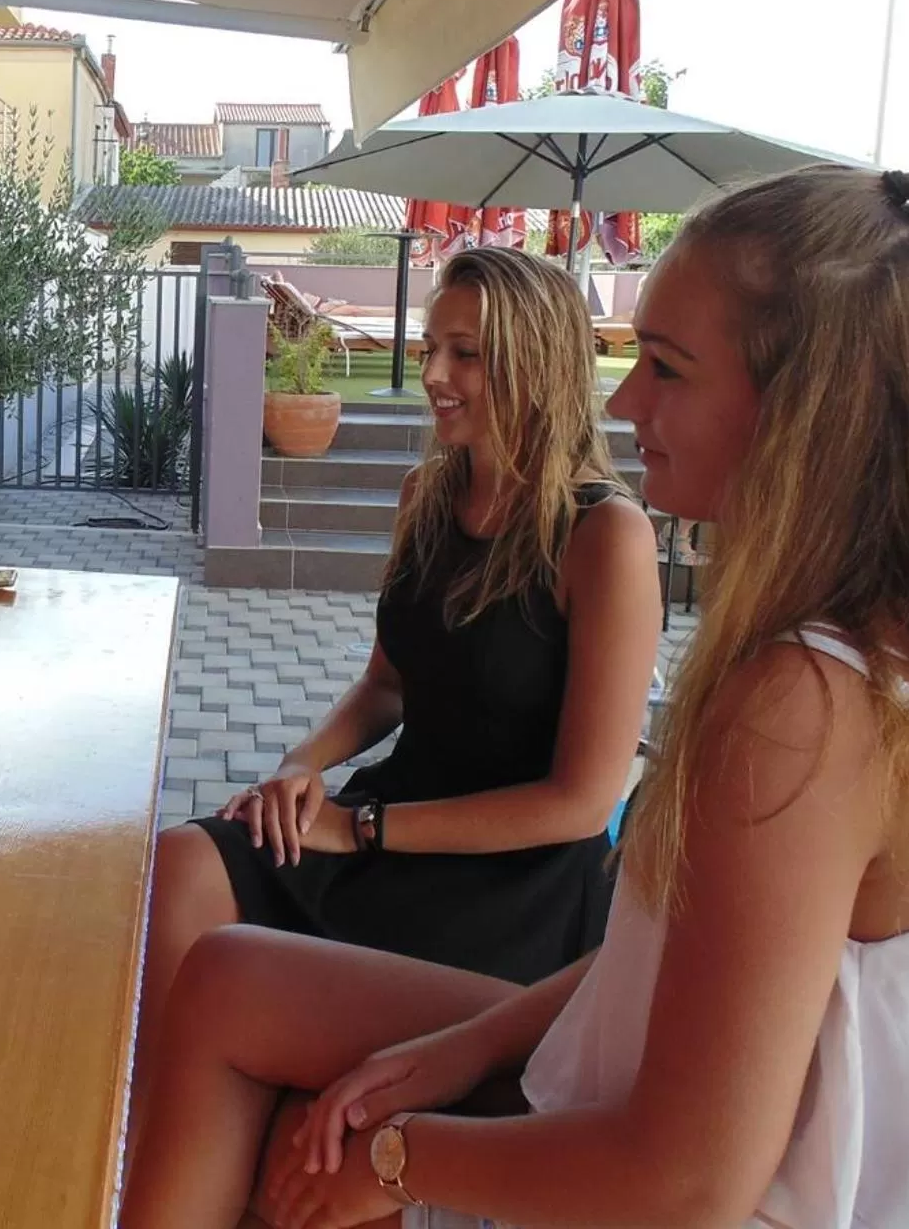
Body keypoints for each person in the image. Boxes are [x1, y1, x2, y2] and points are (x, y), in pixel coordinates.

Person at [121, 166, 909, 1229]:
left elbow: (684, 1184)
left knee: (301, 1131)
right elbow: (669, 961)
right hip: (623, 1042)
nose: (623, 401)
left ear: (809, 409)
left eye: (664, 369)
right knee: (223, 975)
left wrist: (392, 1158)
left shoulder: (801, 704)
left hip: (654, 1106)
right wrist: (459, 1048)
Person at [131, 247, 660, 1148]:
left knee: (256, 1007)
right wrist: (302, 768)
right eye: (431, 349)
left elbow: (582, 802)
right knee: (186, 861)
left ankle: (220, 1124)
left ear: (535, 359)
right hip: (396, 816)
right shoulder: (429, 495)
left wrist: (360, 827)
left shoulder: (604, 536)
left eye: (466, 354)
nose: (434, 376)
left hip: (511, 881)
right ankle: (145, 1142)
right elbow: (387, 685)